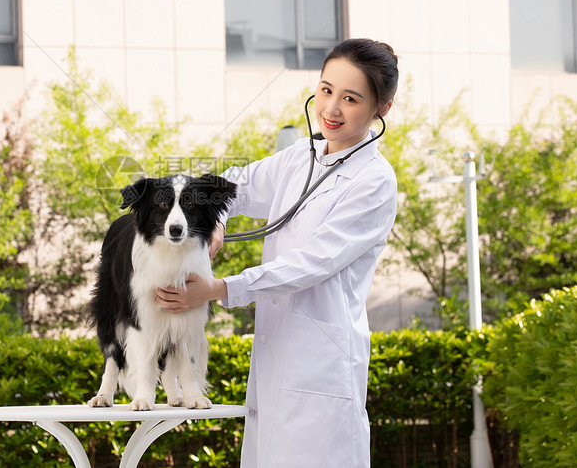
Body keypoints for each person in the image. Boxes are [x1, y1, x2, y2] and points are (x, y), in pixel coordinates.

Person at [155, 38, 399, 467]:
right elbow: (230, 185)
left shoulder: (375, 182)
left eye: (351, 98)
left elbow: (312, 263)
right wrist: (215, 218)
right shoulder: (301, 157)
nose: (332, 109)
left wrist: (219, 288)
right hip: (274, 361)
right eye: (326, 90)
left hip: (320, 367)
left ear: (383, 108)